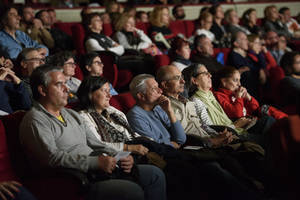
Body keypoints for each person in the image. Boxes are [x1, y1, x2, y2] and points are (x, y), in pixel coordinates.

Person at [19, 64, 167, 200]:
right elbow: (51, 158)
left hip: (97, 170)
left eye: (66, 83)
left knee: (154, 174)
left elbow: (95, 143)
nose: (67, 88)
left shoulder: (71, 114)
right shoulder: (35, 120)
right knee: (132, 191)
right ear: (42, 90)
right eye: (59, 84)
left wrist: (121, 156)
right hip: (71, 180)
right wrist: (95, 163)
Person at [126, 73, 264, 200]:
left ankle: (252, 190)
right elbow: (155, 146)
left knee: (226, 158)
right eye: (154, 89)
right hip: (168, 158)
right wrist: (172, 143)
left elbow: (180, 138)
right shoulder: (135, 116)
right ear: (141, 96)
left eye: (158, 87)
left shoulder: (159, 108)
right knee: (213, 167)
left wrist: (169, 111)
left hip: (180, 150)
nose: (160, 91)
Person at [184, 64, 275, 147]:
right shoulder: (196, 101)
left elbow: (254, 107)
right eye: (205, 73)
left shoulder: (210, 95)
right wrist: (235, 126)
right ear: (194, 80)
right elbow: (208, 128)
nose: (210, 75)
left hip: (234, 129)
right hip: (228, 136)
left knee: (269, 123)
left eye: (209, 73)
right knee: (271, 137)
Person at [213, 66, 287, 120]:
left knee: (266, 109)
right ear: (224, 82)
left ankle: (289, 121)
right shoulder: (219, 95)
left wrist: (249, 98)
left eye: (239, 80)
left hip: (253, 118)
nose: (239, 84)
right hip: (244, 124)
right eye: (235, 80)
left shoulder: (234, 93)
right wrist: (238, 98)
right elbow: (236, 114)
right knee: (269, 120)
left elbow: (255, 108)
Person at [227, 31, 264, 100]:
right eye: (244, 39)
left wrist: (258, 53)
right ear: (236, 43)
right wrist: (259, 70)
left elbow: (261, 65)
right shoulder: (233, 55)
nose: (247, 41)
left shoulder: (247, 54)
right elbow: (245, 68)